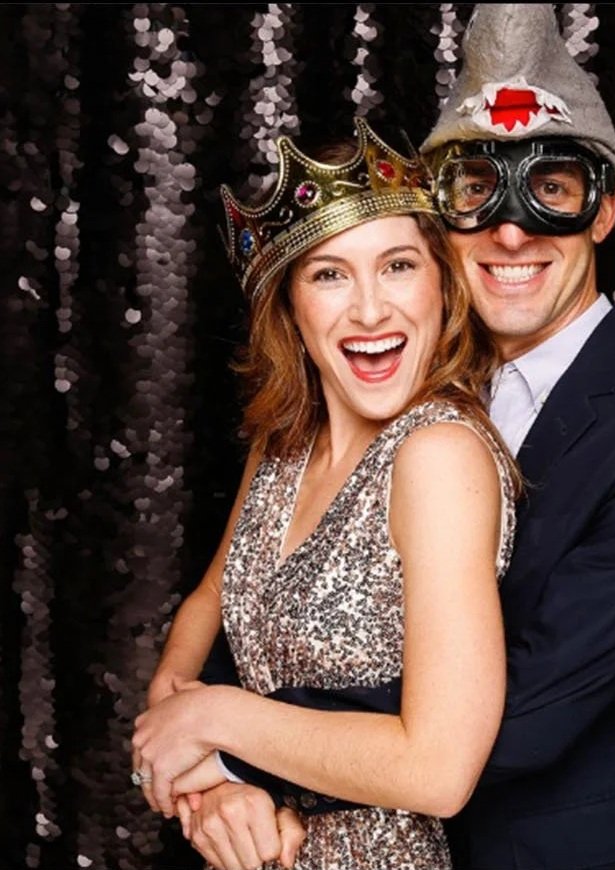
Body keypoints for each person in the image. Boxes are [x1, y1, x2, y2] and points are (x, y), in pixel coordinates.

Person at [139, 5, 615, 869]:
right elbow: (237, 605)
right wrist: (217, 789)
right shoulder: (397, 384)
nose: (511, 230)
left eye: (554, 191)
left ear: (606, 212)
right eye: (477, 190)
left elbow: (515, 716)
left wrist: (226, 741)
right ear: (441, 219)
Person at [131, 116, 518, 870]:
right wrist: (209, 792)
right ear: (291, 307)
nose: (370, 310)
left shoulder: (438, 455)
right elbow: (201, 615)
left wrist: (214, 718)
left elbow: (437, 770)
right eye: (330, 274)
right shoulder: (283, 445)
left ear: (444, 285)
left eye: (399, 266)